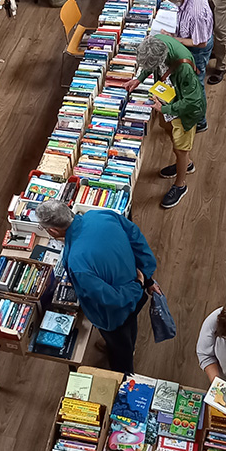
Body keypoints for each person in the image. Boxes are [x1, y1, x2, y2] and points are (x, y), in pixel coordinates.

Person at [37, 199, 160, 375]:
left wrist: (137, 286)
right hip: (135, 291)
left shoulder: (76, 262)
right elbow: (137, 240)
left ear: (53, 230)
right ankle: (123, 347)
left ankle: (123, 376)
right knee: (128, 330)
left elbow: (108, 299)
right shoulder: (101, 214)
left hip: (115, 313)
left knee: (121, 351)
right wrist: (145, 279)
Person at [125, 34, 206, 209]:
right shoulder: (156, 42)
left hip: (183, 111)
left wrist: (165, 109)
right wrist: (139, 79)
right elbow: (152, 64)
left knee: (181, 148)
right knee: (170, 132)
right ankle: (185, 164)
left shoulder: (183, 66)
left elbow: (193, 101)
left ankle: (180, 185)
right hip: (167, 99)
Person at [155, 0, 213, 133]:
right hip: (188, 37)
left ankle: (200, 121)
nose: (166, 2)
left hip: (197, 49)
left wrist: (174, 40)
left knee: (196, 85)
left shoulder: (196, 14)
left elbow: (200, 42)